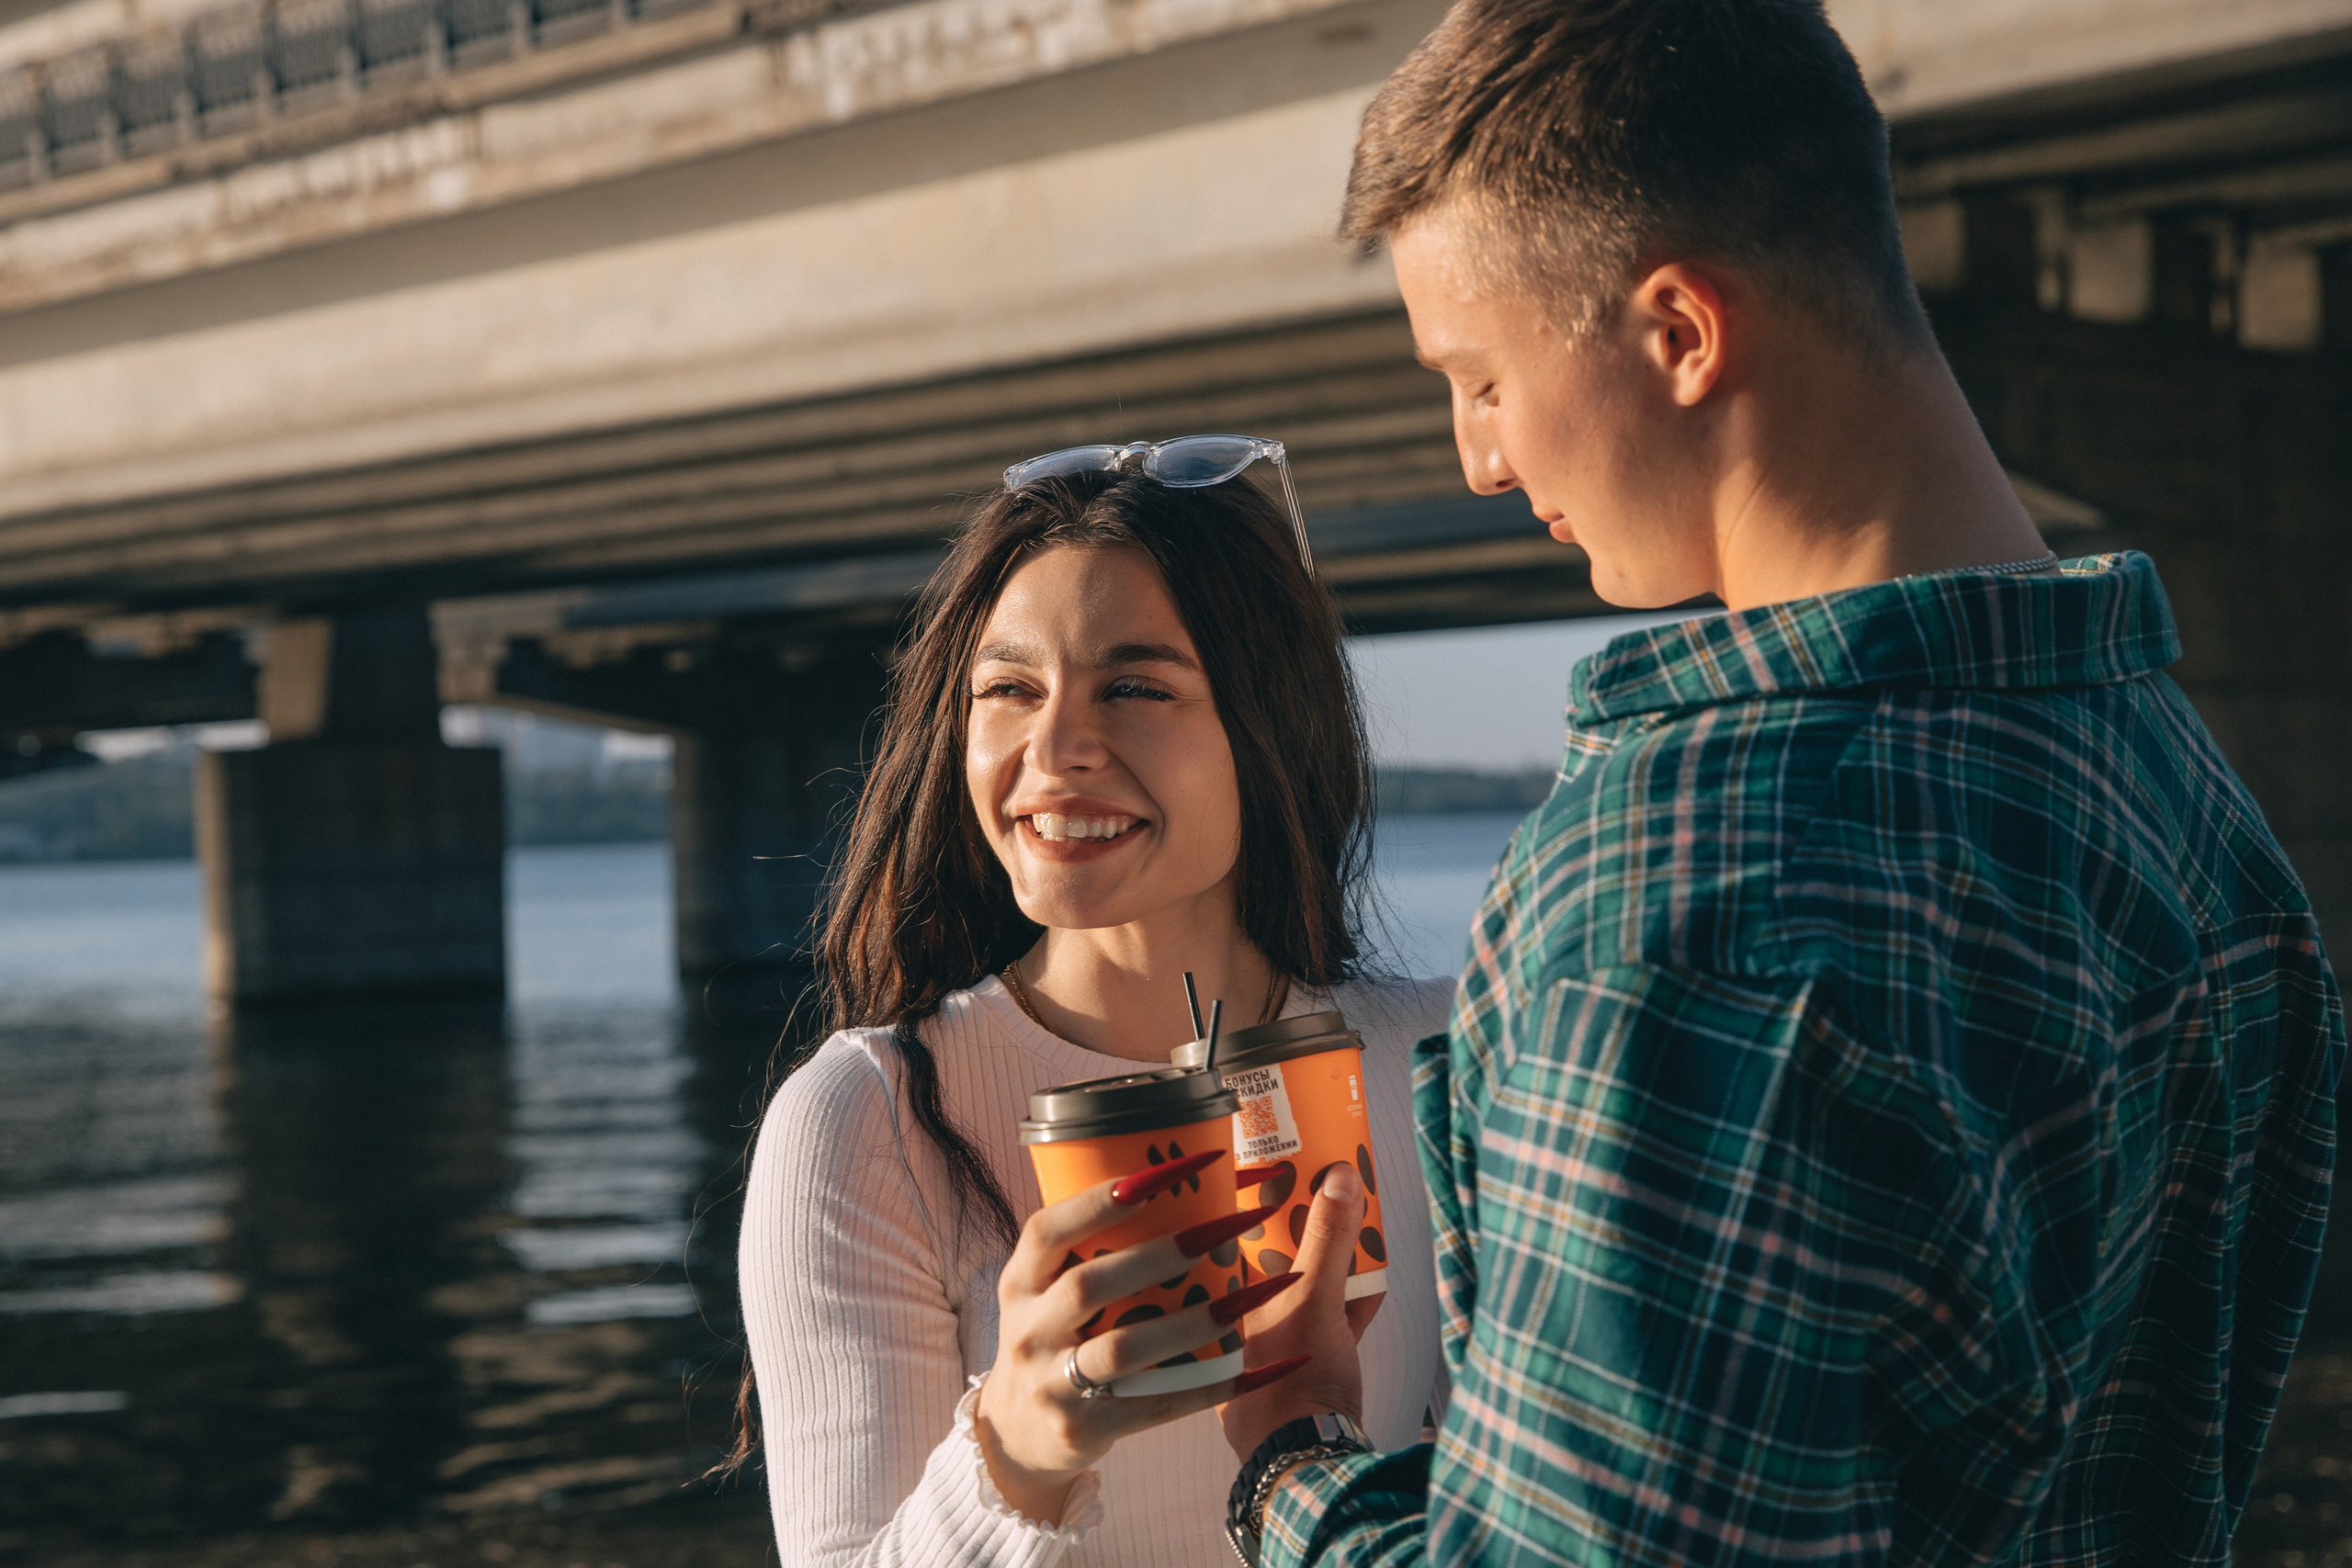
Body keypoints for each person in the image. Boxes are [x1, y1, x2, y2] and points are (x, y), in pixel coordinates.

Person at [1215, 2, 2346, 1565]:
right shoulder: (2174, 790)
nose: (1475, 456)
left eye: (1477, 376)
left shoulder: (1677, 898)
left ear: (1678, 330)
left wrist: (1292, 1464)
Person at [733, 455, 1453, 1566]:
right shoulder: (865, 1118)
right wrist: (1015, 1454)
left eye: (1134, 687)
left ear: (1271, 727)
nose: (1055, 749)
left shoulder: (1444, 1059)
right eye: (1009, 689)